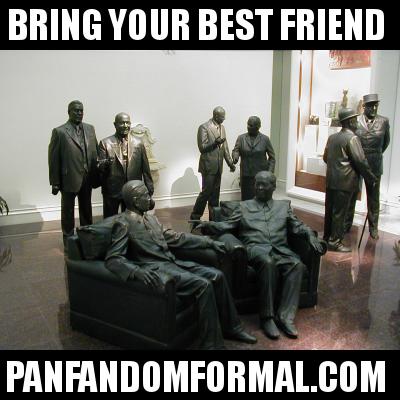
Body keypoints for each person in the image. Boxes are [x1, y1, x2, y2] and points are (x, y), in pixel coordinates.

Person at [104, 180, 257, 350]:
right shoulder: (123, 224)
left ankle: (232, 328)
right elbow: (113, 258)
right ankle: (211, 345)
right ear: (135, 201)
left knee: (217, 275)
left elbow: (177, 238)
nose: (150, 199)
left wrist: (209, 242)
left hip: (172, 262)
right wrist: (136, 271)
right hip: (157, 271)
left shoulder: (151, 219)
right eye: (146, 195)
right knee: (203, 285)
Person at [197, 171, 325, 340]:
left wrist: (310, 235)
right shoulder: (244, 207)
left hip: (281, 249)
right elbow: (226, 225)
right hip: (255, 248)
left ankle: (285, 317)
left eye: (263, 185)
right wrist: (207, 226)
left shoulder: (283, 207)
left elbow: (298, 226)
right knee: (267, 262)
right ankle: (267, 318)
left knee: (297, 265)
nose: (259, 187)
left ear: (273, 187)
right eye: (257, 184)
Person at [323, 108, 377, 252]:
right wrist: (371, 177)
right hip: (345, 183)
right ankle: (335, 242)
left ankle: (327, 237)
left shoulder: (332, 137)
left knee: (330, 211)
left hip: (331, 181)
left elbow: (325, 158)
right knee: (340, 213)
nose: (357, 122)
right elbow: (360, 161)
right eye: (355, 119)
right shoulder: (352, 138)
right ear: (350, 121)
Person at [48, 100, 99, 251]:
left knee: (86, 210)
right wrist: (55, 182)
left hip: (87, 178)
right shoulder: (60, 132)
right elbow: (53, 159)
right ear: (69, 112)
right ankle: (69, 242)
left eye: (81, 110)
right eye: (76, 110)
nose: (79, 113)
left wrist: (98, 172)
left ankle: (87, 239)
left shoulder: (90, 129)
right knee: (68, 212)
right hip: (68, 178)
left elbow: (95, 151)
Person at [98, 112, 154, 218]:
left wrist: (149, 190)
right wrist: (105, 163)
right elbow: (99, 167)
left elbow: (145, 168)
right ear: (115, 124)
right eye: (122, 123)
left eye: (127, 123)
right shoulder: (105, 143)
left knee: (133, 221)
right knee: (111, 221)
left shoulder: (138, 143)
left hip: (133, 190)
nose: (125, 125)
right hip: (112, 190)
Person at [190, 107, 235, 224]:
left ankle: (214, 218)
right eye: (222, 116)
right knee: (206, 193)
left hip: (219, 166)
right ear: (216, 116)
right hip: (208, 166)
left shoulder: (222, 128)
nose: (224, 118)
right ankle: (195, 216)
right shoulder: (204, 127)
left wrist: (230, 163)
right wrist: (215, 143)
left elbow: (225, 148)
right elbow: (202, 147)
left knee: (215, 195)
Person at [354, 94, 390, 239]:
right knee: (351, 195)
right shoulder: (356, 121)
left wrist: (375, 155)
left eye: (376, 105)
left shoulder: (384, 121)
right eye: (370, 106)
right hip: (357, 163)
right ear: (364, 106)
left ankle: (373, 228)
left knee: (373, 198)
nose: (374, 108)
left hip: (375, 164)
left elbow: (386, 142)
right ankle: (346, 224)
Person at [232, 116, 276, 200]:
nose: (248, 127)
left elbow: (272, 158)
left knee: (260, 199)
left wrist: (269, 173)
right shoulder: (241, 138)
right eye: (248, 124)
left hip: (261, 176)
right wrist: (235, 156)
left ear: (258, 127)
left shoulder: (265, 139)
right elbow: (236, 150)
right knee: (246, 199)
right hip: (246, 175)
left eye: (251, 125)